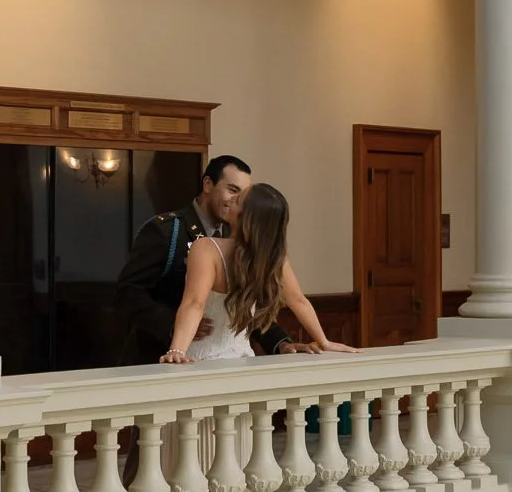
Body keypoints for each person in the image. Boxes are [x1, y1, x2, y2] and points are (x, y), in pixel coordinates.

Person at [161, 181, 350, 363]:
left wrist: (177, 350)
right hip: (244, 360)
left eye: (237, 200)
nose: (230, 200)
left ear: (247, 216)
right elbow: (298, 300)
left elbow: (195, 303)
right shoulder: (273, 258)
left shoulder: (205, 248)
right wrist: (324, 341)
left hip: (201, 359)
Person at [113, 155, 251, 364]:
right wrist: (172, 323)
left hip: (220, 360)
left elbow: (246, 301)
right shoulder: (167, 230)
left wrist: (281, 342)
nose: (237, 201)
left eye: (243, 195)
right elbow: (127, 292)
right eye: (232, 190)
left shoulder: (238, 236)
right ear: (207, 184)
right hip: (159, 357)